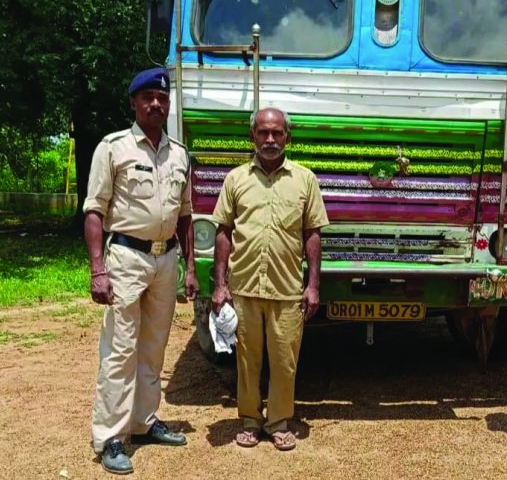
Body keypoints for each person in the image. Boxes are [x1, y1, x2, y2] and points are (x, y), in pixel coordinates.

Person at [84, 67, 199, 475]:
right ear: (133, 102)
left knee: (153, 348)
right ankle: (111, 437)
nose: (156, 103)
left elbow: (185, 216)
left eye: (162, 98)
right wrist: (98, 269)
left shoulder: (179, 153)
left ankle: (144, 422)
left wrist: (189, 268)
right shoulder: (113, 148)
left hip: (166, 261)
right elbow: (95, 211)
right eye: (148, 97)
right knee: (120, 350)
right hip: (126, 260)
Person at [211, 107, 328, 451]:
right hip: (244, 286)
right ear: (253, 136)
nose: (270, 139)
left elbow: (313, 234)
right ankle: (250, 420)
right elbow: (223, 232)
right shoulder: (235, 179)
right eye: (263, 133)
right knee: (247, 360)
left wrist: (313, 285)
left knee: (284, 360)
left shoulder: (305, 179)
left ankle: (277, 422)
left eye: (277, 133)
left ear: (287, 137)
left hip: (287, 288)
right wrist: (220, 285)